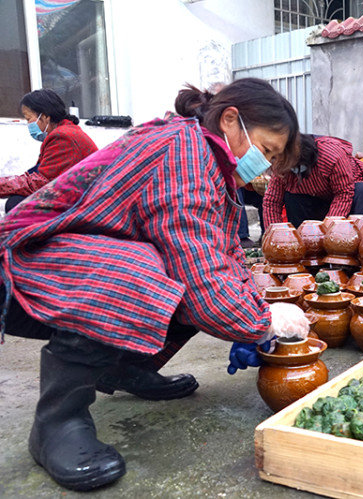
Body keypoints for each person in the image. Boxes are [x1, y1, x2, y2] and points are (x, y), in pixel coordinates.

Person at [0, 78, 310, 491]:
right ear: (231, 119)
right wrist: (262, 322)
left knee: (187, 277)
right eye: (265, 151)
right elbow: (200, 274)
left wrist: (253, 305)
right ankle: (58, 421)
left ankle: (124, 368)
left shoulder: (211, 167)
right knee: (150, 271)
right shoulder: (182, 152)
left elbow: (224, 256)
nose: (263, 167)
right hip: (26, 259)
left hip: (72, 264)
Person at [1, 89, 98, 213]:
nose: (28, 124)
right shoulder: (65, 132)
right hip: (77, 196)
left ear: (45, 116)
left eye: (29, 118)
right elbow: (36, 175)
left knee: (17, 204)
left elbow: (40, 183)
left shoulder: (63, 137)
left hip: (82, 202)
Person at [261, 133, 363, 228]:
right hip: (318, 197)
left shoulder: (330, 155)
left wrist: (326, 229)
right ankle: (304, 247)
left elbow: (344, 193)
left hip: (349, 194)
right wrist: (274, 234)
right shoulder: (282, 164)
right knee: (292, 198)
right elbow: (272, 202)